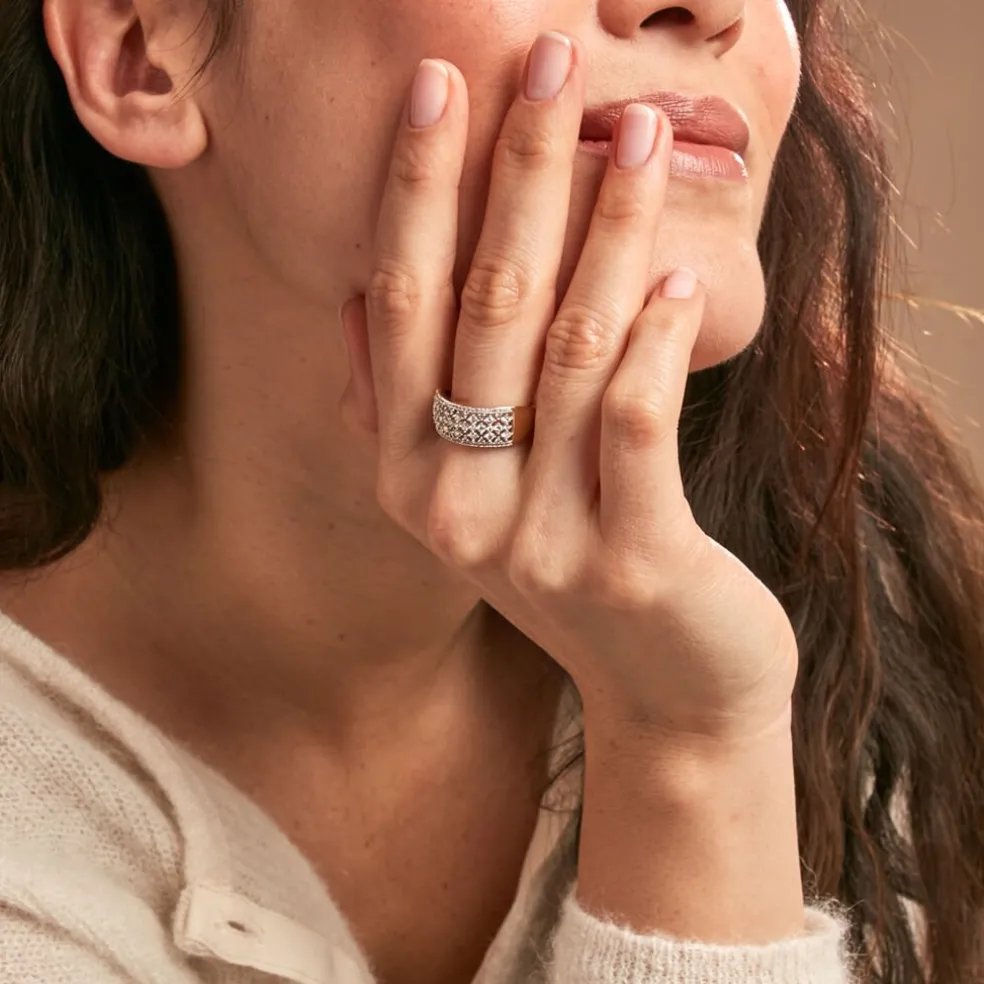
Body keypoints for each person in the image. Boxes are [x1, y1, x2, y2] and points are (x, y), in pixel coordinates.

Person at [0, 0, 982, 981]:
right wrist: (685, 752)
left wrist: (697, 723)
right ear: (137, 55)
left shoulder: (875, 643)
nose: (711, 9)